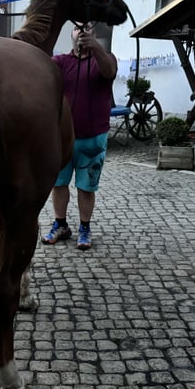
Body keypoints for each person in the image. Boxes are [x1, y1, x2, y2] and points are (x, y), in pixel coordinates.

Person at [42, 22, 117, 250]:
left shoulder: (105, 58)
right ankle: (61, 224)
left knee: (86, 186)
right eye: (77, 28)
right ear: (71, 34)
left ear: (94, 33)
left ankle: (85, 227)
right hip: (62, 138)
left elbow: (109, 71)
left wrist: (95, 48)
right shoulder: (60, 62)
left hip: (93, 138)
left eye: (88, 28)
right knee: (59, 183)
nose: (82, 31)